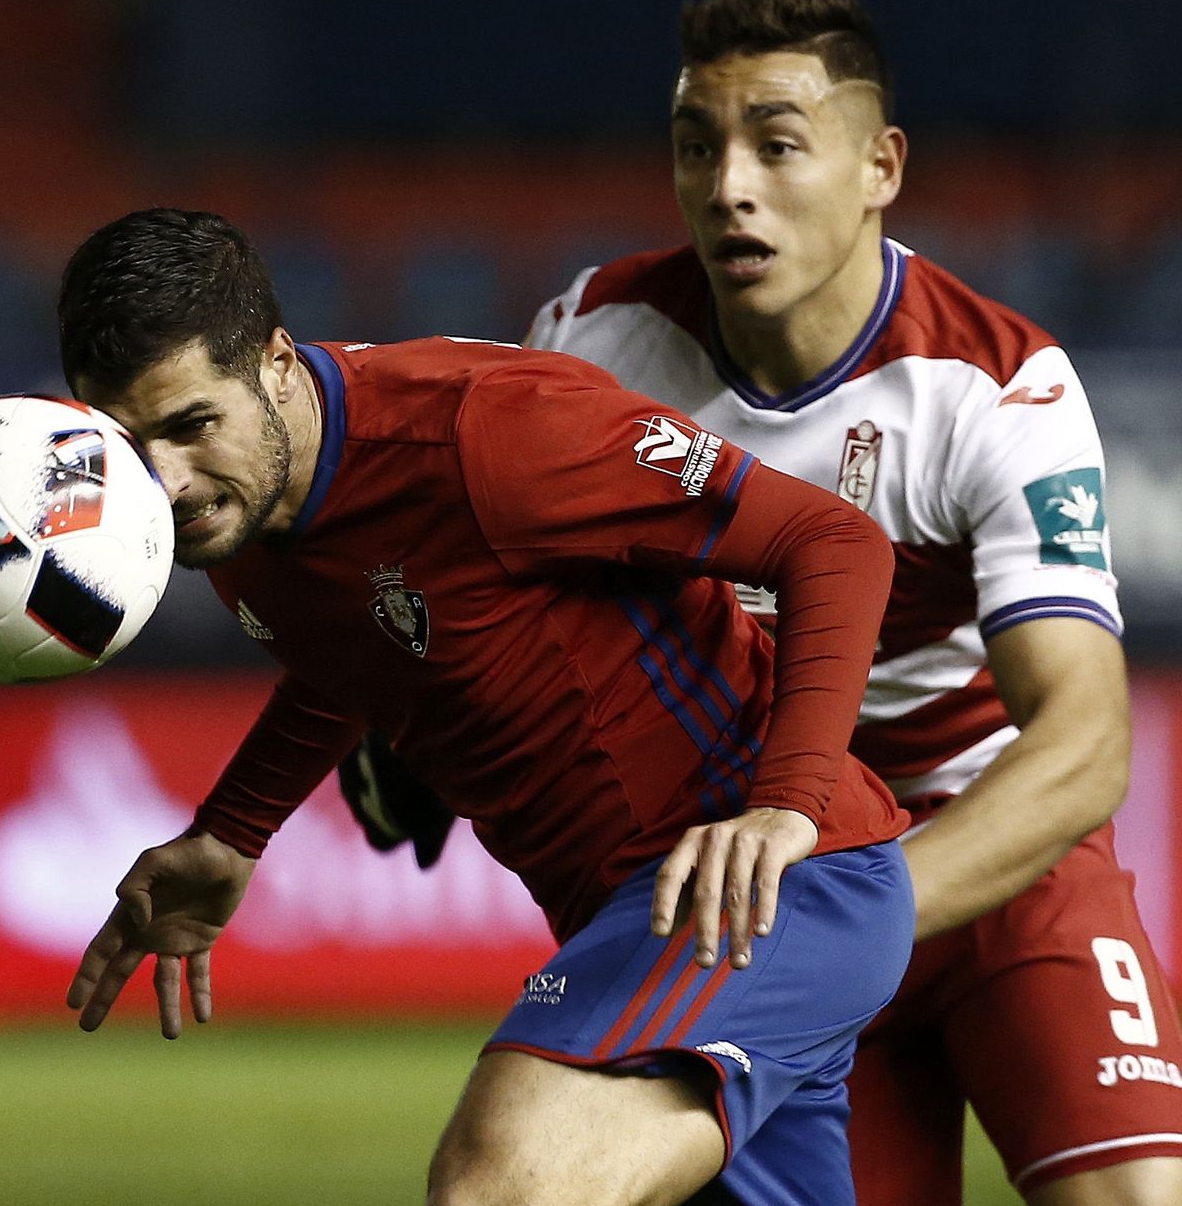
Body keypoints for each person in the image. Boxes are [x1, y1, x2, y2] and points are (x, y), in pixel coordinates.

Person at [344, 0, 1182, 1205]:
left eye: (778, 143)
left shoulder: (993, 383)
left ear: (880, 167)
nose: (728, 184)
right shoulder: (589, 347)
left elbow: (1082, 741)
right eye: (696, 146)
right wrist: (424, 728)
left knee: (1136, 1197)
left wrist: (853, 907)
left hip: (983, 854)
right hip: (751, 886)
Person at [56, 206, 916, 1206]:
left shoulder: (490, 432)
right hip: (636, 918)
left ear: (276, 364)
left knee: (495, 1186)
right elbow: (351, 639)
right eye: (126, 442)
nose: (163, 479)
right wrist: (233, 830)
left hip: (762, 888)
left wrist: (788, 803)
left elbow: (833, 541)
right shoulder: (233, 504)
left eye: (190, 423)